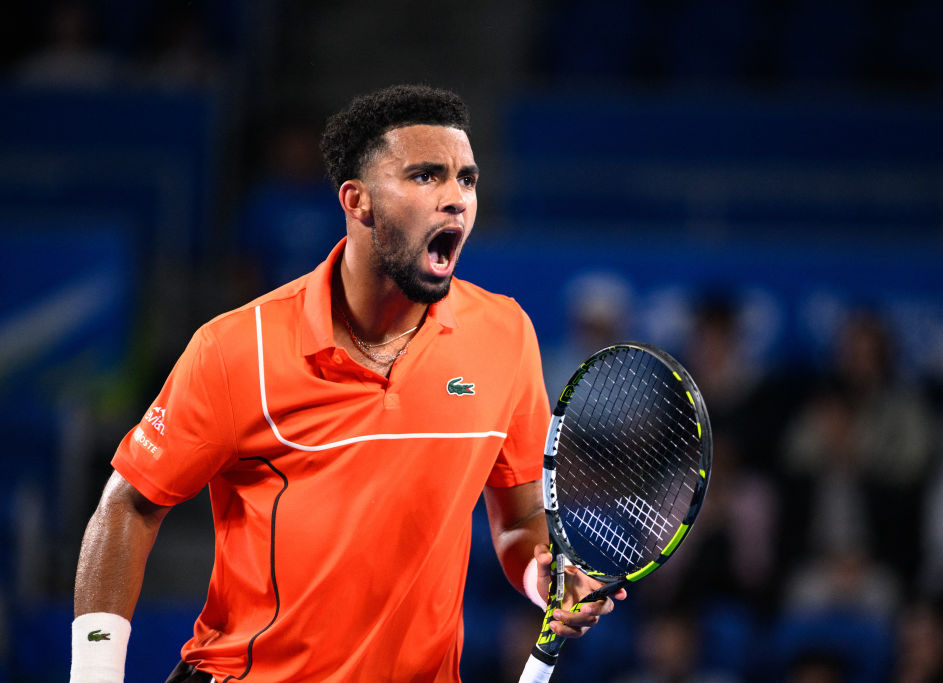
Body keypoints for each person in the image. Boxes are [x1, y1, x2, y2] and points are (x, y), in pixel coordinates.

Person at [70, 84, 624, 683]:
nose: (456, 200)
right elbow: (129, 502)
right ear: (358, 201)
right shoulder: (238, 348)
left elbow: (520, 520)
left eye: (466, 179)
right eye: (425, 177)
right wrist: (95, 672)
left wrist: (542, 574)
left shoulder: (505, 335)